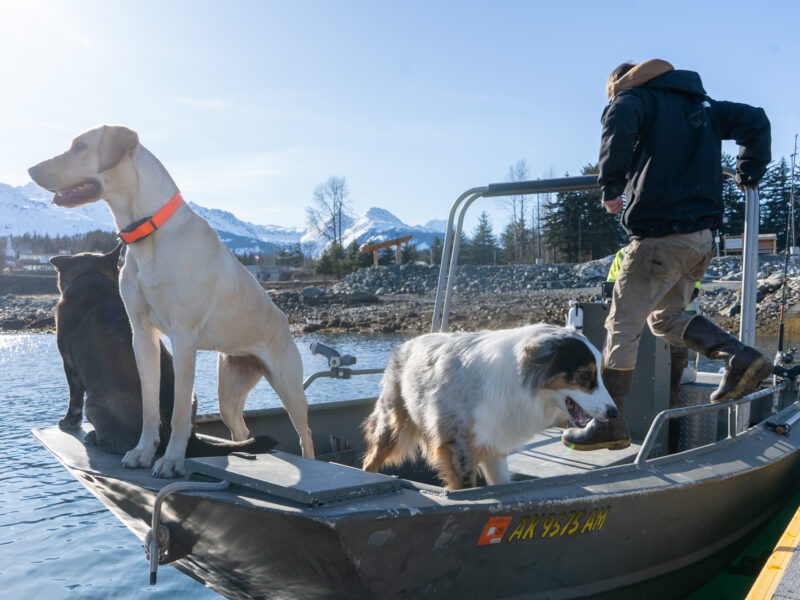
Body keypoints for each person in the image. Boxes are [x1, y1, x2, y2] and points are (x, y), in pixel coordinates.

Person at [563, 59, 772, 451]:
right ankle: (740, 357)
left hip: (659, 235)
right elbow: (756, 121)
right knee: (666, 318)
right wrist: (749, 171)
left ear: (621, 85)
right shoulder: (703, 106)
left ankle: (610, 420)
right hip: (701, 239)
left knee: (622, 323)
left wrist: (611, 188)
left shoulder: (635, 99)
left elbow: (620, 121)